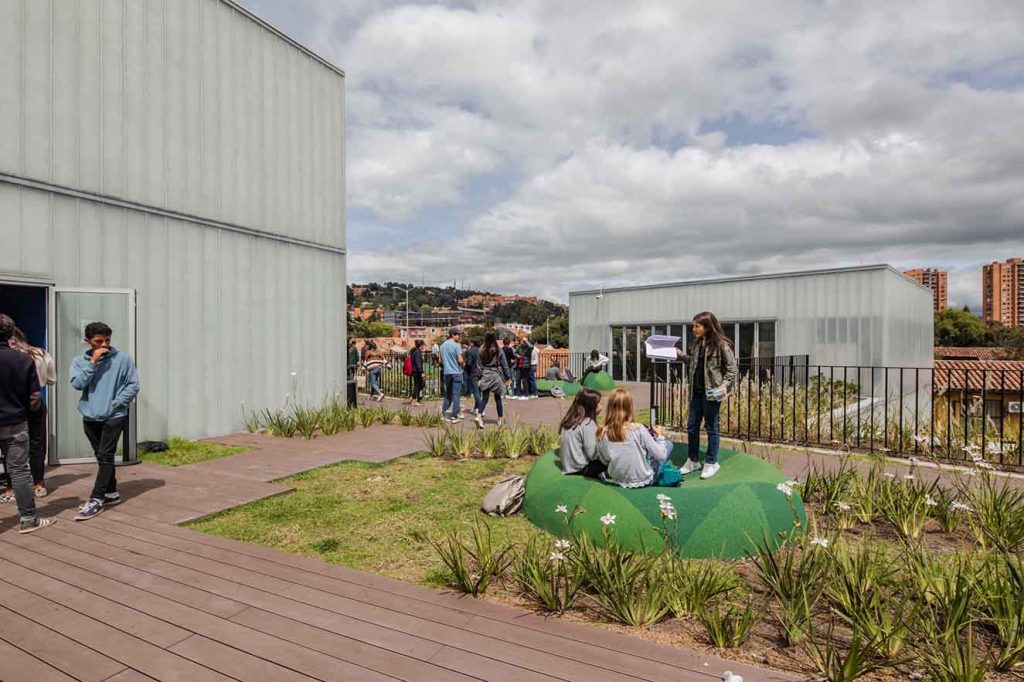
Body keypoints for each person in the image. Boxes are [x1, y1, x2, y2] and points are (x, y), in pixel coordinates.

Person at [70, 321, 140, 521]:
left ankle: (96, 498)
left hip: (114, 416)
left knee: (106, 455)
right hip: (90, 415)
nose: (103, 345)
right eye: (98, 341)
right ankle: (111, 492)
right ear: (87, 341)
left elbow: (133, 385)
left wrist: (116, 404)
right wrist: (92, 363)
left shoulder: (123, 359)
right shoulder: (79, 361)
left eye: (107, 340)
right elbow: (77, 384)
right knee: (100, 455)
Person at [0, 314, 55, 533]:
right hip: (14, 421)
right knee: (20, 471)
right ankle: (28, 519)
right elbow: (34, 399)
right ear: (10, 333)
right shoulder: (23, 359)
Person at [678, 311, 737, 480]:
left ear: (707, 326)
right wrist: (681, 356)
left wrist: (724, 385)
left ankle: (711, 462)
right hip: (696, 392)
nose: (694, 329)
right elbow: (694, 362)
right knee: (692, 426)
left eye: (697, 326)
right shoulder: (697, 344)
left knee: (711, 427)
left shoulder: (721, 345)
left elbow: (732, 369)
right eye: (693, 326)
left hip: (711, 393)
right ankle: (693, 460)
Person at [596, 388, 678, 488]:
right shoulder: (638, 428)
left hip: (617, 478)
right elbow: (661, 455)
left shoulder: (603, 431)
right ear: (629, 407)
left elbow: (604, 459)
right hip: (643, 479)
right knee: (668, 444)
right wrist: (660, 436)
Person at [10, 327, 55, 497]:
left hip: (12, 401)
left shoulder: (8, 355)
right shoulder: (40, 353)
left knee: (10, 443)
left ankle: (11, 487)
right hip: (36, 401)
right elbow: (51, 379)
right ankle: (38, 483)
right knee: (37, 443)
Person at [558, 388, 605, 477]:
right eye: (600, 404)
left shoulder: (570, 420)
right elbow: (593, 454)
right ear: (592, 406)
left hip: (568, 467)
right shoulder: (588, 423)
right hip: (581, 469)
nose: (602, 406)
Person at [475, 331, 510, 429]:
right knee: (497, 398)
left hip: (486, 373)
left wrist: (479, 377)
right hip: (496, 374)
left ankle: (479, 416)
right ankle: (499, 419)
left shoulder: (481, 349)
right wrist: (507, 377)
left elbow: (479, 365)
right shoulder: (498, 349)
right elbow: (504, 365)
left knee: (484, 398)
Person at [439, 328, 465, 422]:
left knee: (448, 394)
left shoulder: (442, 346)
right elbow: (460, 360)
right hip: (456, 372)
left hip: (447, 372)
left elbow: (440, 361)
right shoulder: (456, 345)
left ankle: (443, 412)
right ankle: (454, 415)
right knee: (456, 395)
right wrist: (463, 365)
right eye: (458, 334)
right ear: (453, 335)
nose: (459, 337)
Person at [409, 340, 425, 406]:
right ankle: (414, 400)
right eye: (423, 345)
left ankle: (414, 398)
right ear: (420, 345)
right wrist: (422, 372)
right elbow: (418, 363)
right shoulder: (417, 353)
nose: (424, 346)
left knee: (419, 385)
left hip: (415, 371)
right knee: (417, 386)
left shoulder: (415, 352)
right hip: (417, 372)